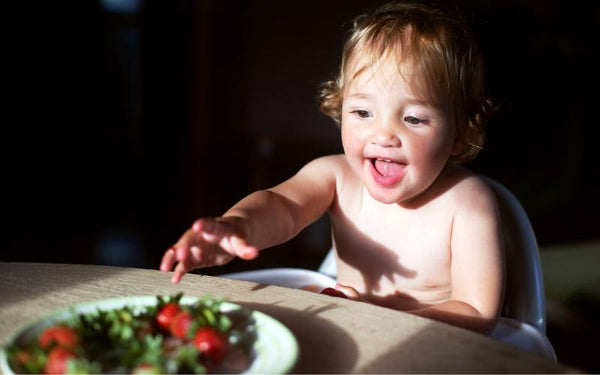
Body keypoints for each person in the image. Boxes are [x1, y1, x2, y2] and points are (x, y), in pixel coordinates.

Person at [160, 1, 504, 334]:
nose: (383, 135)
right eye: (362, 112)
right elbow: (283, 206)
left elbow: (477, 312)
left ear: (458, 134)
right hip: (348, 334)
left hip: (429, 347)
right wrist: (237, 227)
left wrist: (381, 316)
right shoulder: (337, 177)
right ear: (340, 108)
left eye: (413, 118)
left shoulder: (467, 202)